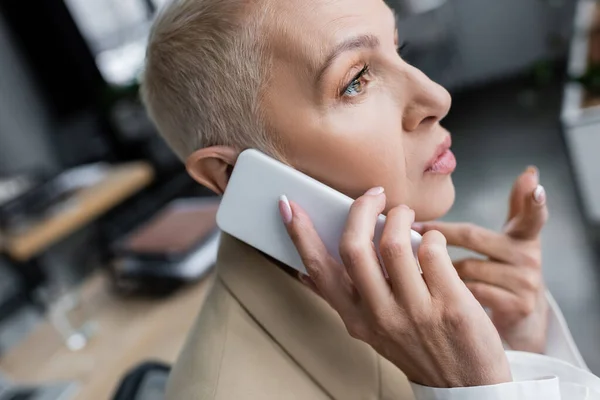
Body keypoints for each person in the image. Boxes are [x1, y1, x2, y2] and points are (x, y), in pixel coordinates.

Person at [141, 0, 600, 398]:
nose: (436, 96)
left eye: (397, 47)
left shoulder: (404, 255)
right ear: (231, 173)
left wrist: (520, 349)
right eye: (356, 80)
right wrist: (473, 390)